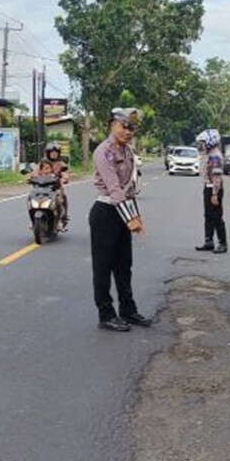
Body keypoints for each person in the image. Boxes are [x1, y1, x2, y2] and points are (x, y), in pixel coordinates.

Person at [90, 107, 154, 333]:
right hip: (106, 212)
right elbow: (114, 189)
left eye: (131, 128)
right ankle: (106, 314)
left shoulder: (127, 151)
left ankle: (128, 309)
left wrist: (136, 217)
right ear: (112, 125)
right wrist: (131, 218)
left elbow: (129, 188)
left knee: (124, 265)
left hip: (123, 210)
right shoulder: (104, 152)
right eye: (124, 126)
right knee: (103, 267)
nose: (128, 131)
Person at [194, 129, 227, 253]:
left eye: (202, 142)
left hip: (214, 189)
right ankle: (209, 241)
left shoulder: (215, 156)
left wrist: (215, 194)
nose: (199, 145)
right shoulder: (207, 154)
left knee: (217, 216)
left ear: (210, 141)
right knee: (208, 215)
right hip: (208, 188)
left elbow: (217, 177)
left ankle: (222, 243)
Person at [44, 142, 72, 231]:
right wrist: (30, 177)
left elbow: (65, 173)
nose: (53, 154)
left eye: (56, 152)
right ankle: (33, 219)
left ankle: (61, 219)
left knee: (60, 199)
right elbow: (35, 172)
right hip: (43, 187)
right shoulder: (43, 162)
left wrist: (65, 178)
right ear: (48, 153)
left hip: (56, 187)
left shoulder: (61, 163)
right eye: (51, 152)